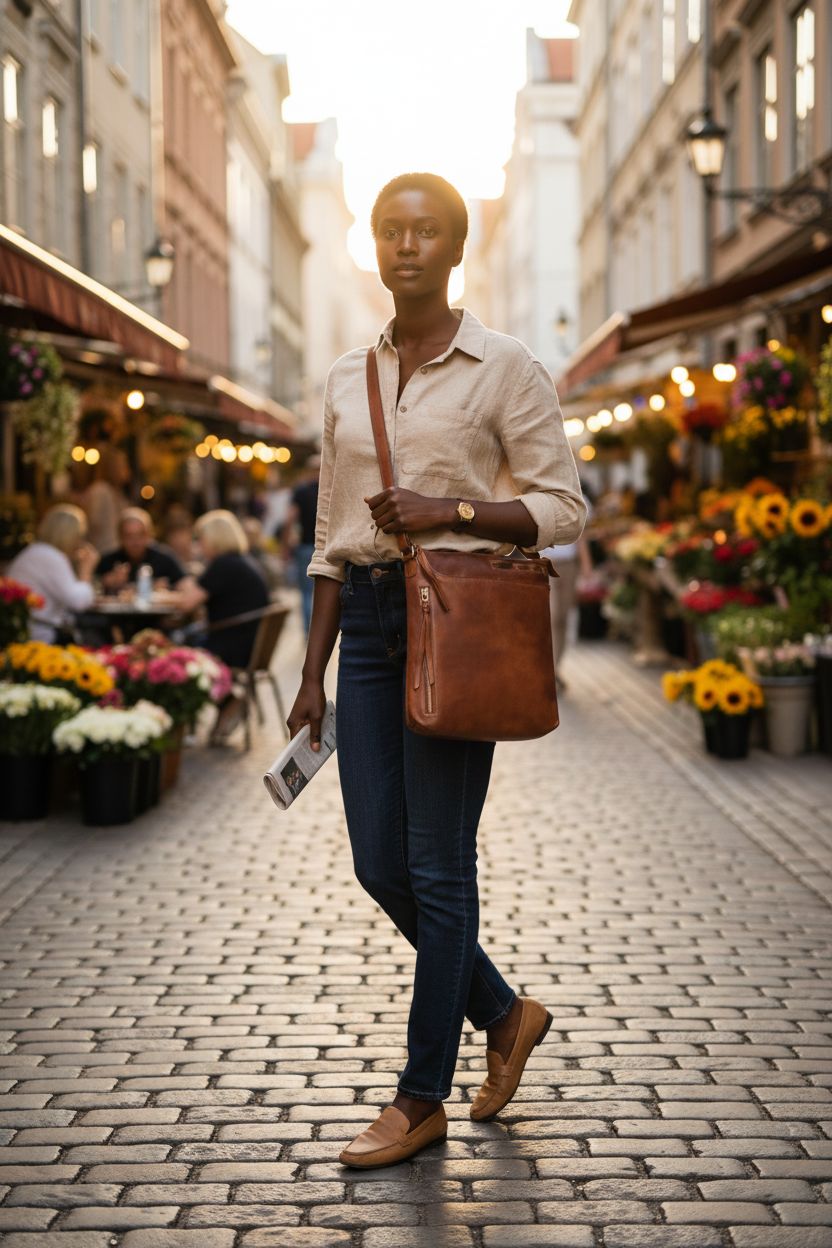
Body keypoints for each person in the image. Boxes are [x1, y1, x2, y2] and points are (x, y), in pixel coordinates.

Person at [287, 172, 586, 1170]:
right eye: (388, 230)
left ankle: (419, 1098)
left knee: (436, 867)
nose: (405, 245)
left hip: (452, 622)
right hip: (364, 629)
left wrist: (451, 511)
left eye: (425, 232)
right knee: (380, 864)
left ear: (454, 250)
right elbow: (333, 535)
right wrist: (311, 669)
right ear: (372, 245)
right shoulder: (346, 375)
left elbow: (561, 509)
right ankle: (503, 1013)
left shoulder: (503, 367)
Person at [176, 510, 269, 741]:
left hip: (230, 645)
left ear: (213, 539)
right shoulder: (240, 562)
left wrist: (185, 579)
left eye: (201, 538)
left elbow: (188, 604)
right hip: (247, 642)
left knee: (176, 653)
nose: (199, 544)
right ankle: (227, 703)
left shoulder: (223, 565)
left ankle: (225, 703)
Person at [7, 504, 97, 642]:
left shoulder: (39, 552)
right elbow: (78, 602)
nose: (80, 542)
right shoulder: (50, 556)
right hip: (41, 635)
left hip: (30, 629)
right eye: (79, 536)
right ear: (69, 536)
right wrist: (86, 570)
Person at [541, 485, 595, 689]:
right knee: (552, 616)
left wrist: (586, 565)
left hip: (569, 564)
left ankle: (556, 668)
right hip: (546, 563)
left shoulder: (576, 496)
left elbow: (582, 536)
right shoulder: (540, 492)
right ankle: (546, 668)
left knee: (563, 617)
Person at [96, 508, 185, 592]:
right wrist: (106, 583)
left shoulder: (165, 559)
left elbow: (185, 585)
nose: (135, 542)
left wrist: (170, 587)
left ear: (149, 535)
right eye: (129, 536)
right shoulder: (107, 562)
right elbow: (93, 587)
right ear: (120, 538)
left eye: (140, 535)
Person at [284, 456, 320, 633]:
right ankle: (322, 631)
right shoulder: (330, 490)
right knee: (325, 593)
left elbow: (289, 519)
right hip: (326, 547)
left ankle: (309, 632)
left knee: (306, 592)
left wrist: (285, 544)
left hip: (306, 546)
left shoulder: (301, 491)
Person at [81, 446, 131, 553]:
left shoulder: (117, 492)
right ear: (113, 468)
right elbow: (93, 523)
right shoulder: (100, 491)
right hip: (102, 552)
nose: (127, 470)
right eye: (123, 465)